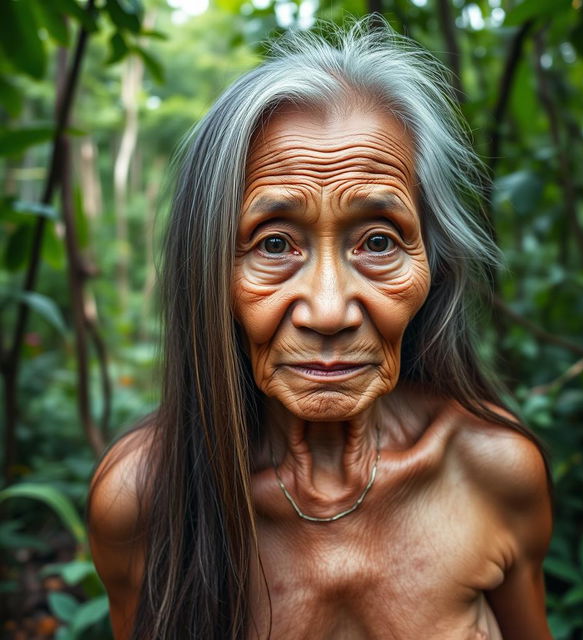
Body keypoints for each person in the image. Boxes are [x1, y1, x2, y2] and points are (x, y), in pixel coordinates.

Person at [88, 19, 553, 640]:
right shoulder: (144, 502)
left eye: (379, 242)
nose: (329, 311)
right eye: (274, 243)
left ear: (433, 266)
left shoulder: (493, 473)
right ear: (207, 271)